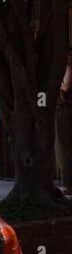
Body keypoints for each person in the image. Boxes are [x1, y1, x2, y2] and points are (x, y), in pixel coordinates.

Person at [56, 51, 72, 193]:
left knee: (64, 148)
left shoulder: (67, 68)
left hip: (65, 110)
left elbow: (65, 86)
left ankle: (67, 184)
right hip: (63, 109)